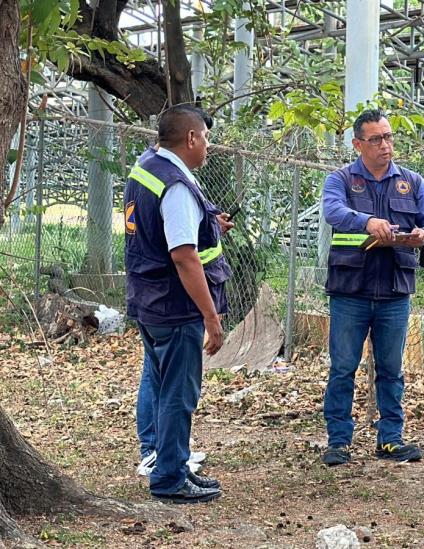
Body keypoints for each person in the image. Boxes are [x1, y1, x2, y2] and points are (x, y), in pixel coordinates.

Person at [320, 109, 424, 466]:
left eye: (388, 137)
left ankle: (390, 439)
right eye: (376, 139)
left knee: (391, 369)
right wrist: (367, 222)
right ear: (358, 143)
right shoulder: (340, 180)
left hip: (394, 291)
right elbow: (333, 212)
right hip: (350, 291)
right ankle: (338, 441)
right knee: (343, 366)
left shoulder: (412, 182)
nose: (385, 145)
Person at [124, 104, 233, 503]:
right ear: (190, 139)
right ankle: (169, 478)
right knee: (178, 393)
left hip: (149, 299)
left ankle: (173, 461)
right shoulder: (176, 186)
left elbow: (158, 226)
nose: (207, 145)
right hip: (176, 306)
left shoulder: (148, 165)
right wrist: (211, 317)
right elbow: (184, 255)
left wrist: (208, 222)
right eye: (205, 137)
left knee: (159, 381)